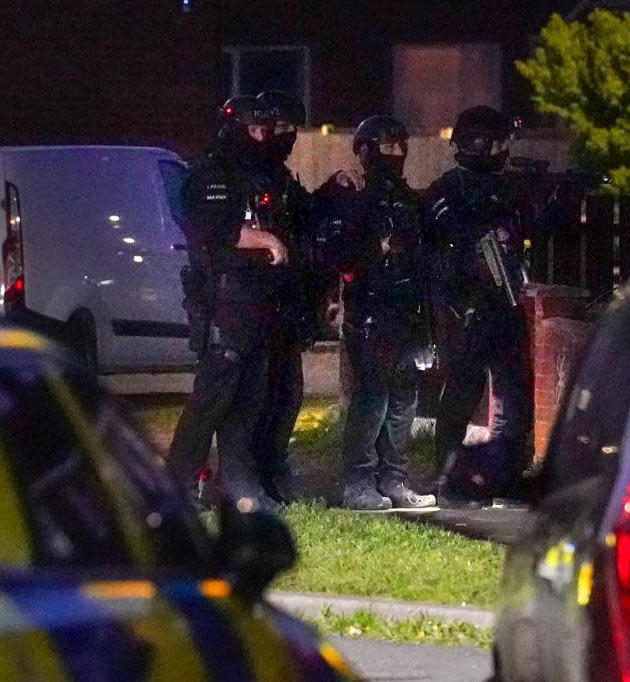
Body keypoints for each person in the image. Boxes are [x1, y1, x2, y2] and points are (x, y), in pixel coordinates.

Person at [166, 91, 313, 512]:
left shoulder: (265, 174)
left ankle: (239, 484)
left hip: (260, 302)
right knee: (213, 397)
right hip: (225, 301)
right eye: (256, 129)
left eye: (266, 129)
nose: (264, 136)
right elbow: (216, 230)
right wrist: (265, 240)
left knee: (250, 398)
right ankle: (177, 485)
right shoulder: (213, 173)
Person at [315, 115, 437, 511]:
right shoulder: (355, 200)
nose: (396, 154)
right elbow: (340, 257)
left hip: (407, 311)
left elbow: (424, 256)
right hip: (370, 312)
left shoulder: (408, 200)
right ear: (366, 150)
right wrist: (381, 246)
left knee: (404, 399)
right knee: (374, 399)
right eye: (387, 147)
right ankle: (358, 482)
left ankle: (394, 477)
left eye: (401, 147)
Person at [425, 105, 533, 502]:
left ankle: (503, 475)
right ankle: (450, 477)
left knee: (512, 397)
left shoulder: (508, 189)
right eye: (499, 143)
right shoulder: (447, 190)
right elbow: (451, 235)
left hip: (505, 304)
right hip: (466, 307)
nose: (505, 151)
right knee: (462, 393)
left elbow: (525, 228)